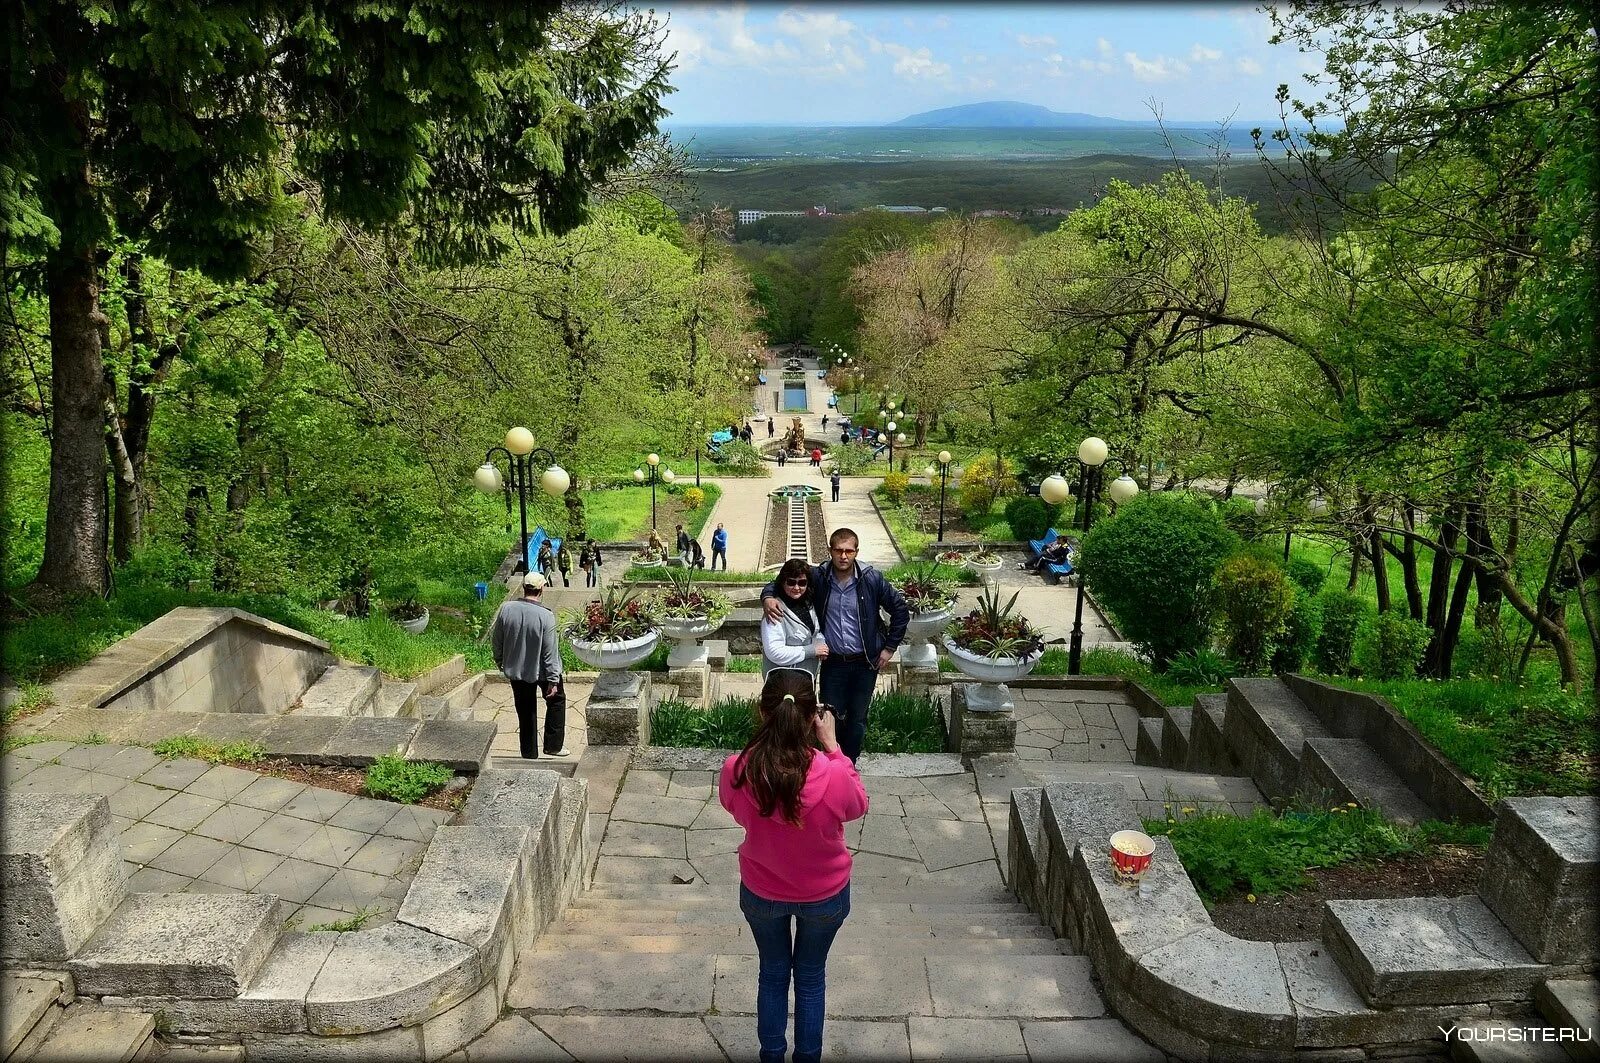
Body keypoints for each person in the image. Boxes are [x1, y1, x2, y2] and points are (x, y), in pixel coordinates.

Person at [720, 670, 867, 1063]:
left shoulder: (738, 769)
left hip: (762, 890)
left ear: (762, 711)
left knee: (772, 974)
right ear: (811, 717)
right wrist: (834, 747)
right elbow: (858, 805)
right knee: (810, 978)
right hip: (825, 896)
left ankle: (771, 1055)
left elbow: (736, 811)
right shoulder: (833, 773)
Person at [760, 528, 910, 762]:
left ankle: (850, 765)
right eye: (838, 550)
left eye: (849, 551)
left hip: (865, 662)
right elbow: (785, 579)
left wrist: (889, 647)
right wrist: (768, 597)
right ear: (830, 550)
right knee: (828, 717)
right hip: (834, 663)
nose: (843, 556)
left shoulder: (871, 579)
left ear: (856, 552)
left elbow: (900, 610)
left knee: (857, 718)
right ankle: (831, 764)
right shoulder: (819, 576)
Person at [489, 571, 569, 759]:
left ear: (524, 587)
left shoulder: (506, 609)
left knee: (525, 710)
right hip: (541, 670)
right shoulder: (546, 616)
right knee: (557, 701)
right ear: (542, 588)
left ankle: (529, 752)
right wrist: (553, 679)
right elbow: (550, 651)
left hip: (516, 669)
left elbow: (497, 640)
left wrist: (500, 661)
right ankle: (553, 746)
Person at [761, 559, 827, 681]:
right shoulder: (774, 610)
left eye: (802, 583)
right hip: (781, 681)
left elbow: (816, 631)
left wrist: (820, 642)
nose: (797, 588)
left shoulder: (809, 604)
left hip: (806, 677)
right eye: (791, 582)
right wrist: (811, 650)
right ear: (782, 583)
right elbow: (774, 652)